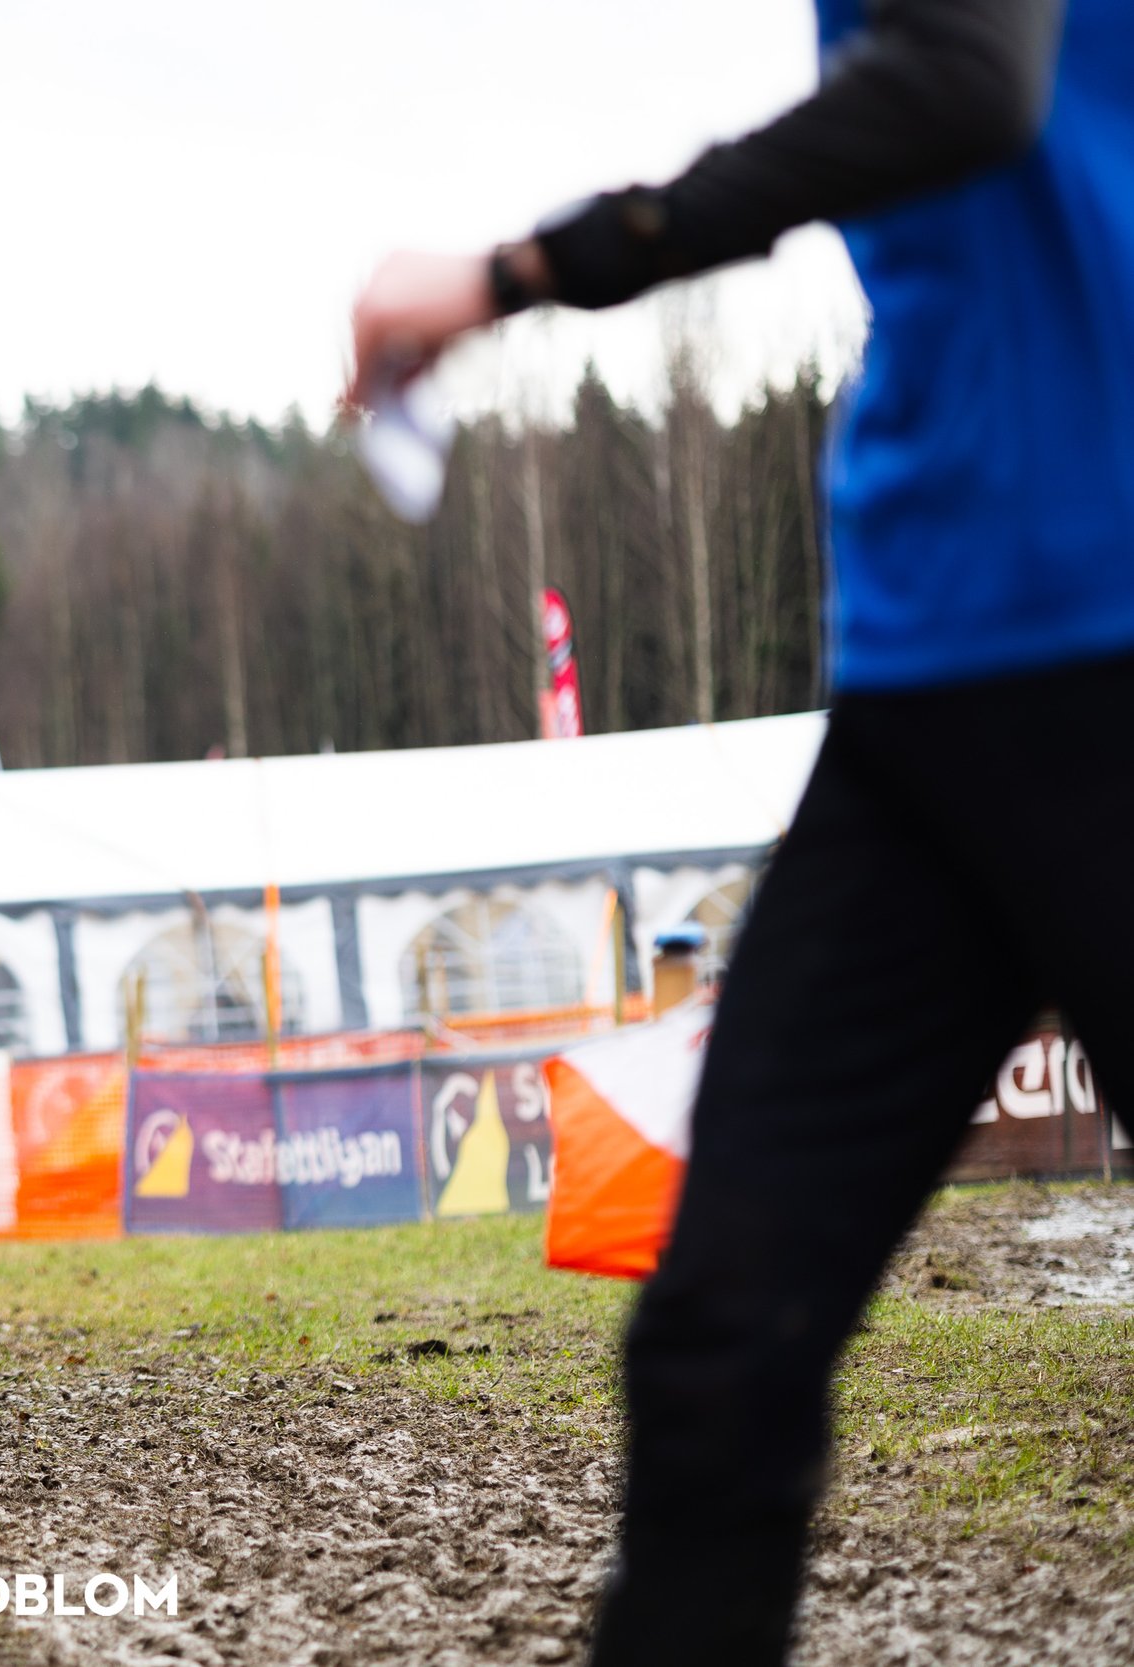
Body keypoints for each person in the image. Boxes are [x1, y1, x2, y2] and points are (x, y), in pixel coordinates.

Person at [347, 4, 1128, 1662]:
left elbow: (960, 84)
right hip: (932, 666)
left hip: (1109, 623)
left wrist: (514, 272)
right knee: (719, 1339)